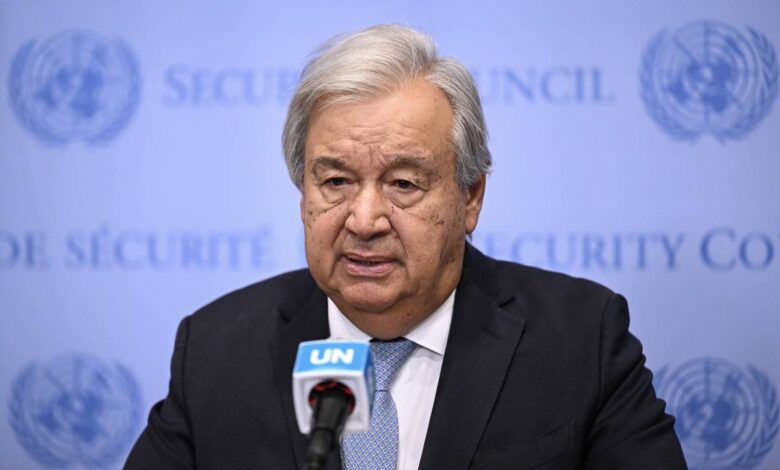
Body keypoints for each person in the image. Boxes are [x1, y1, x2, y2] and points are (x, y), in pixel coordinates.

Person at [124, 24, 687, 470]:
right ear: (303, 193)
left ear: (470, 197)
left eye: (403, 183)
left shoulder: (581, 340)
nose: (365, 220)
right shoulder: (217, 350)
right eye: (336, 181)